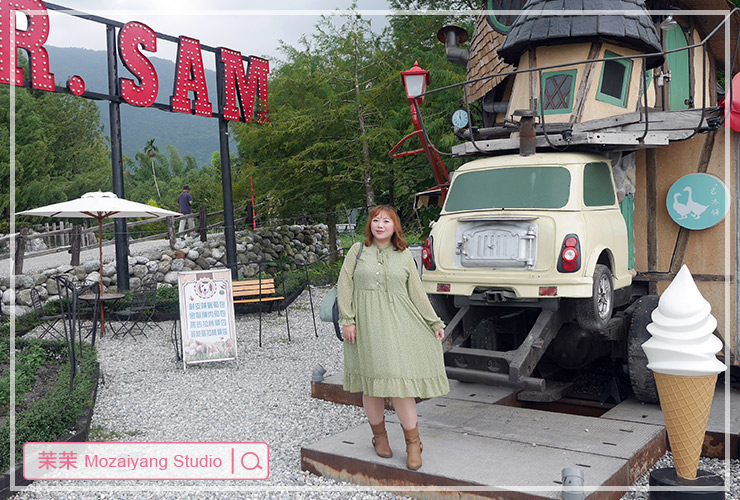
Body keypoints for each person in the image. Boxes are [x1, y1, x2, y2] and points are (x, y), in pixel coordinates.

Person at [337, 205, 449, 470]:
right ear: (370, 225)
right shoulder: (357, 251)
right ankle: (379, 437)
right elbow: (344, 284)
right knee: (372, 384)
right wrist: (348, 320)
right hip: (365, 326)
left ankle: (413, 443)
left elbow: (417, 292)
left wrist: (434, 321)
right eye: (376, 220)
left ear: (395, 226)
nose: (380, 225)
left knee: (400, 385)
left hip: (399, 324)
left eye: (386, 221)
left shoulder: (403, 255)